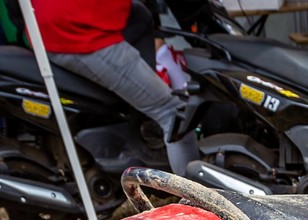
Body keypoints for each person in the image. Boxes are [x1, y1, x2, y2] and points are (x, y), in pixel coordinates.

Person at [30, 0, 200, 177]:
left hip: (53, 21)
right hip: (76, 32)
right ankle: (198, 199)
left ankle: (141, 119)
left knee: (140, 17)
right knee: (173, 114)